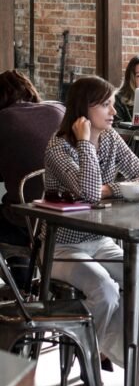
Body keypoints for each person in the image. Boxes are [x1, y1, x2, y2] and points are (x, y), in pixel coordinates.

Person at [44, 76, 139, 368]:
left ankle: (103, 350)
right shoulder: (59, 147)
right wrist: (84, 142)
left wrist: (110, 190)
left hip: (99, 239)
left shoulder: (110, 137)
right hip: (60, 246)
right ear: (84, 109)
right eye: (106, 105)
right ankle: (92, 357)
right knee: (105, 290)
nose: (113, 112)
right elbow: (90, 192)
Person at [0, 70, 64, 253]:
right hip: (73, 219)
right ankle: (21, 274)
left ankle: (18, 273)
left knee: (15, 208)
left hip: (28, 225)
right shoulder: (59, 110)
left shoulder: (4, 119)